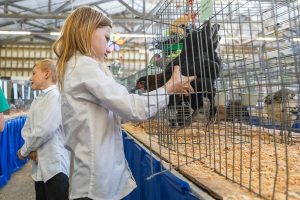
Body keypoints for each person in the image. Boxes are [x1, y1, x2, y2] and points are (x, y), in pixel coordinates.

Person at [53, 6, 196, 200]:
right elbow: (131, 108)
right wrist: (168, 88)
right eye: (106, 38)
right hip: (95, 184)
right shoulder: (83, 66)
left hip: (96, 177)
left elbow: (116, 112)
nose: (109, 48)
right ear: (87, 30)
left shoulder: (80, 67)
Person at [17, 59, 70, 200]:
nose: (30, 78)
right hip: (39, 167)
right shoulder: (38, 99)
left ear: (47, 74)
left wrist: (25, 151)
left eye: (34, 73)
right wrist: (32, 149)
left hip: (55, 168)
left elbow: (44, 130)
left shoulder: (56, 96)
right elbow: (27, 128)